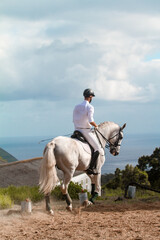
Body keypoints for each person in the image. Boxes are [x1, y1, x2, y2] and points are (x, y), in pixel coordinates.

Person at [73, 88, 103, 175]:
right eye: (92, 97)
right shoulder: (90, 107)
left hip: (76, 130)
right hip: (86, 131)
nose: (92, 98)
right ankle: (91, 168)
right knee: (98, 148)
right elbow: (90, 120)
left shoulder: (76, 106)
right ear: (90, 97)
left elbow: (74, 119)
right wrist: (96, 126)